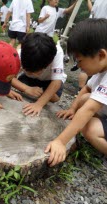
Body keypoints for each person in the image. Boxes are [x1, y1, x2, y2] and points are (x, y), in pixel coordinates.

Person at [45, 18, 107, 167]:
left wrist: (61, 141)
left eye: (80, 61)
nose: (79, 66)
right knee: (86, 97)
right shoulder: (101, 70)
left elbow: (89, 109)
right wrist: (72, 109)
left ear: (101, 55)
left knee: (89, 129)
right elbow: (86, 89)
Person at [11, 32, 67, 117]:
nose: (34, 74)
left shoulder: (57, 52)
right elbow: (8, 77)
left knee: (55, 98)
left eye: (37, 71)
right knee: (22, 84)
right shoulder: (21, 53)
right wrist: (26, 89)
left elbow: (56, 82)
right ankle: (34, 89)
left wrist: (39, 104)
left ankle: (40, 92)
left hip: (49, 80)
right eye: (29, 70)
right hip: (29, 79)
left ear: (49, 63)